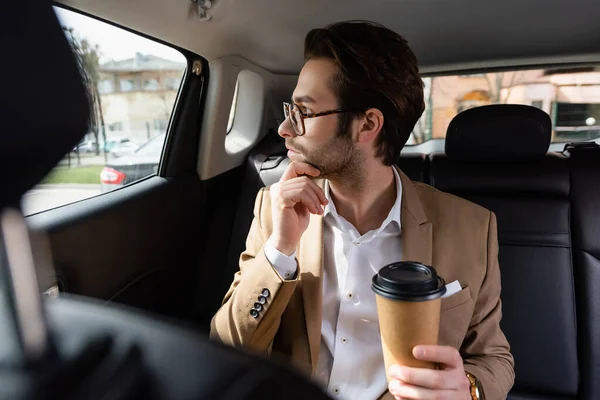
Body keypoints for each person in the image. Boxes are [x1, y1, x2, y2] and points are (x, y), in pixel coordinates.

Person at [211, 20, 514, 400]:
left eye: (303, 112)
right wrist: (280, 250)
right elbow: (226, 346)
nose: (286, 129)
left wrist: (468, 389)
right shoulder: (274, 209)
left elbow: (494, 357)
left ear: (367, 124)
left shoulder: (472, 227)